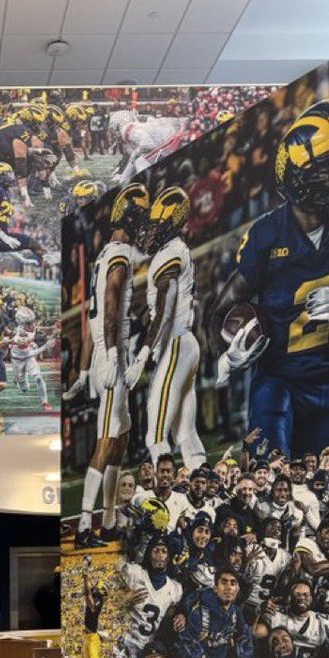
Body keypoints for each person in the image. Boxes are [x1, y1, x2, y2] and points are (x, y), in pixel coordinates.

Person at [213, 100, 329, 455]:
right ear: (305, 179)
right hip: (277, 383)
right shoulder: (269, 234)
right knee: (267, 478)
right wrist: (228, 356)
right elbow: (220, 309)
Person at [70, 184, 151, 548]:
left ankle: (107, 518)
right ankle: (86, 526)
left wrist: (84, 369)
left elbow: (93, 318)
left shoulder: (105, 255)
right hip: (113, 355)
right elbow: (111, 305)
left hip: (106, 352)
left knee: (121, 437)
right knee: (106, 441)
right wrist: (114, 357)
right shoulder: (118, 258)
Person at [126, 186, 204, 469]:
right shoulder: (174, 250)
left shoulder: (170, 254)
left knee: (156, 437)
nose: (150, 231)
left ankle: (167, 504)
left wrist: (141, 356)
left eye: (157, 225)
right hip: (184, 343)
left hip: (175, 343)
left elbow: (165, 313)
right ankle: (208, 490)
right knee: (185, 433)